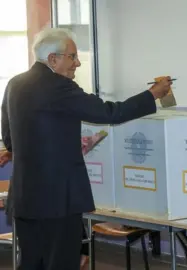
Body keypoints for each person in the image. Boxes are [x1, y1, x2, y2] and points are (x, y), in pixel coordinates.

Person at [1, 27, 172, 270]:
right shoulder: (58, 86)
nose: (78, 63)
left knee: (30, 263)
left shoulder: (15, 84)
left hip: (24, 198)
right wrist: (151, 95)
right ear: (53, 59)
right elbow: (110, 112)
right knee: (60, 263)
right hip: (58, 200)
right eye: (72, 56)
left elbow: (9, 140)